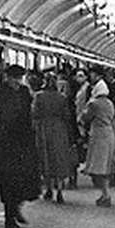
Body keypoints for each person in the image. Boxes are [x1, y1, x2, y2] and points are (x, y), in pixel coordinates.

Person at [0, 64, 39, 228]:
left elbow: (29, 115)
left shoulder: (24, 92)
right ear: (8, 78)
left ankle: (16, 208)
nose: (18, 81)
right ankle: (9, 218)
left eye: (20, 78)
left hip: (23, 142)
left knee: (22, 178)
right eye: (15, 78)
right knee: (8, 180)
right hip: (6, 144)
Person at [33, 72, 73, 204]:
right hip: (59, 130)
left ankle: (49, 189)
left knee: (46, 158)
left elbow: (34, 114)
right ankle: (60, 190)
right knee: (59, 158)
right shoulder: (62, 97)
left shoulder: (38, 96)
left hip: (44, 130)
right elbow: (67, 116)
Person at [80, 66, 115, 207]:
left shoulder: (94, 103)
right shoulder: (110, 103)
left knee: (98, 167)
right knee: (106, 166)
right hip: (109, 134)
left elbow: (85, 118)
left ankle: (106, 195)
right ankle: (104, 194)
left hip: (98, 135)